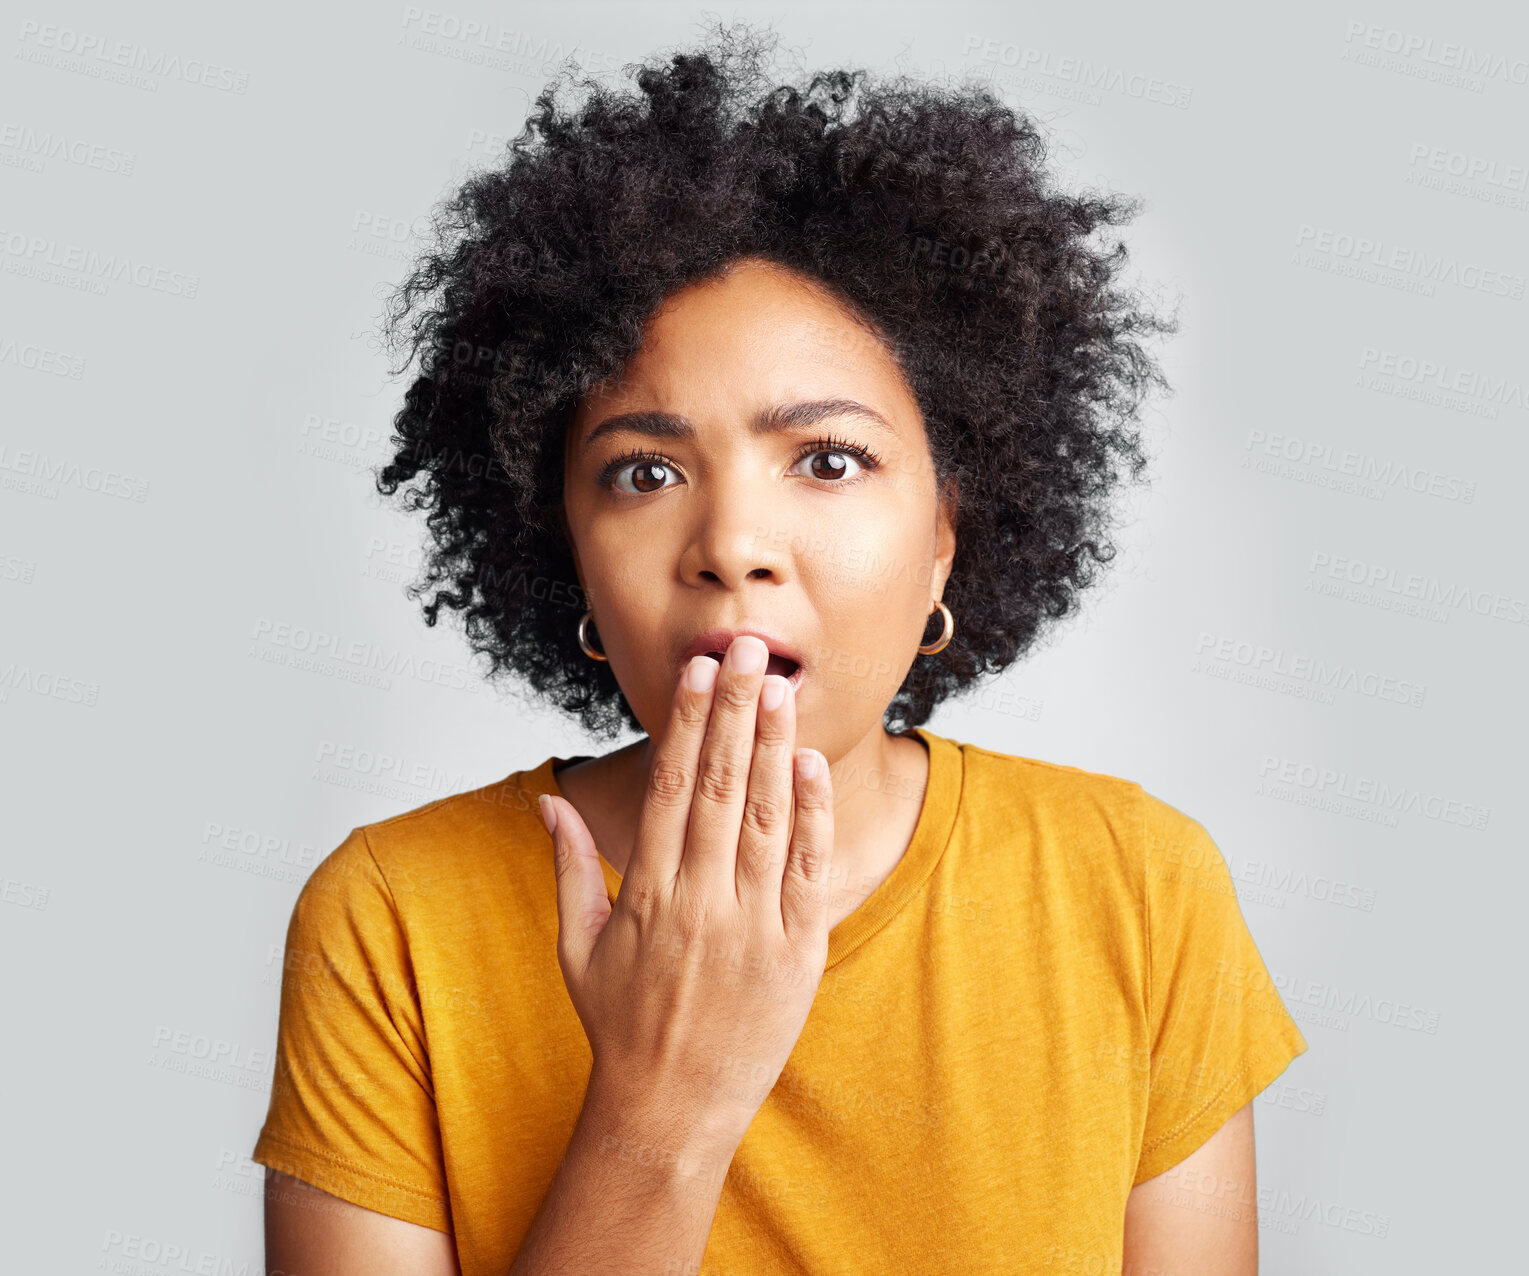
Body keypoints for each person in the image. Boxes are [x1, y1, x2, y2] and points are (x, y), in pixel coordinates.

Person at [252, 23, 1307, 1275]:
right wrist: (662, 1104)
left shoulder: (1139, 888)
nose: (733, 543)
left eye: (826, 459)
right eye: (645, 471)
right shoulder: (394, 921)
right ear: (567, 556)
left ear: (944, 541)